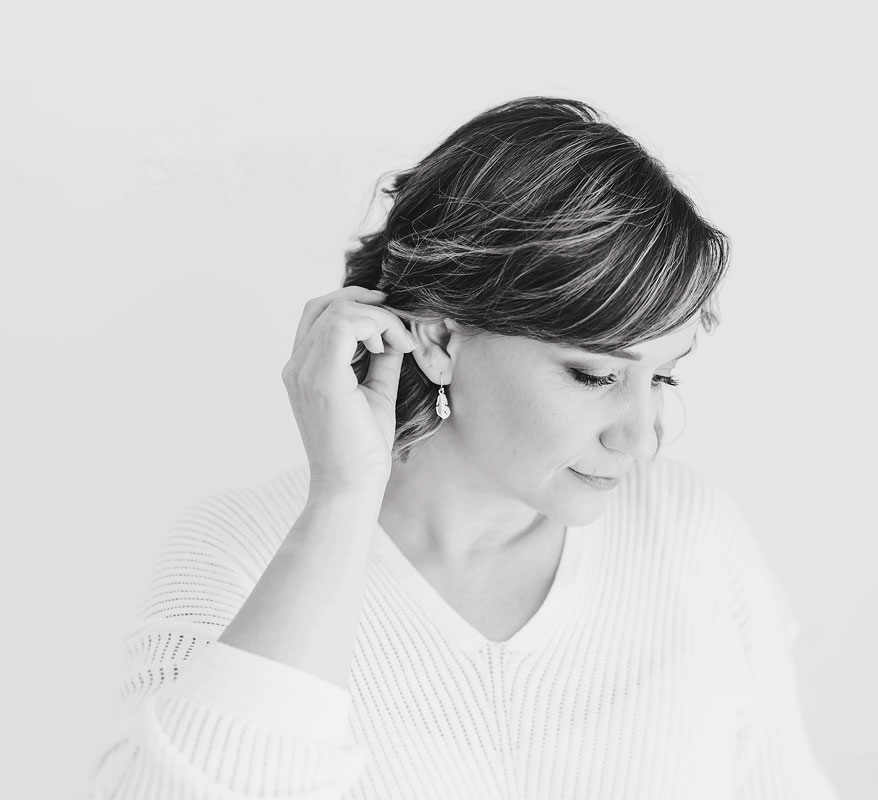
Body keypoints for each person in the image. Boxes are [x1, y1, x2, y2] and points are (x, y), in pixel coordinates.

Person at [87, 96, 839, 799]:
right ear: (443, 338)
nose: (640, 436)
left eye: (665, 379)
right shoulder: (237, 551)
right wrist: (342, 501)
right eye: (595, 374)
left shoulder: (690, 534)